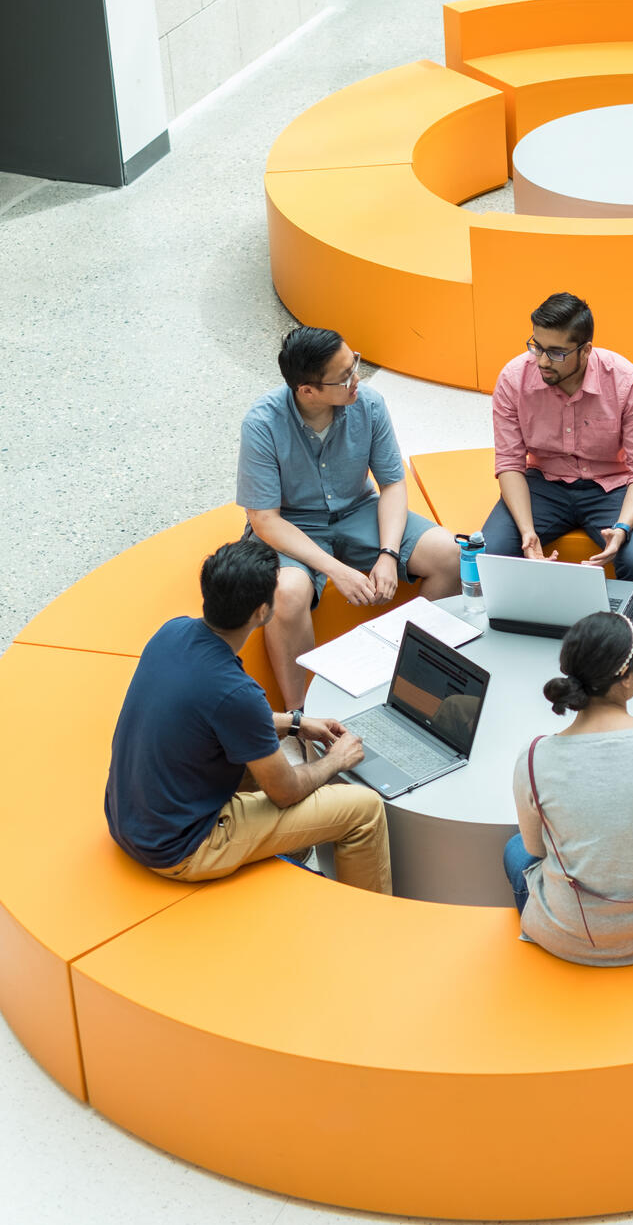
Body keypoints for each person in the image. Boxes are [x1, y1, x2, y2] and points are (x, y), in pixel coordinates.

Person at [104, 541, 391, 893]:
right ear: (261, 612)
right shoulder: (238, 694)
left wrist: (295, 723)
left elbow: (219, 716)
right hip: (182, 848)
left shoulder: (171, 633)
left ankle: (289, 862)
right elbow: (285, 792)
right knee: (363, 809)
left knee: (262, 765)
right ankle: (373, 929)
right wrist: (337, 760)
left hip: (131, 819)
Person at [237, 325, 460, 709]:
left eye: (354, 363)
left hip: (359, 510)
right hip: (292, 525)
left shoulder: (369, 403)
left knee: (450, 554)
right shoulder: (262, 423)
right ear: (308, 391)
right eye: (344, 377)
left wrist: (388, 554)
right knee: (287, 595)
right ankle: (303, 716)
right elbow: (265, 520)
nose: (357, 378)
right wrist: (337, 571)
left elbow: (392, 484)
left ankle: (411, 679)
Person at [502, 612, 633, 966]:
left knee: (516, 849)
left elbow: (535, 847)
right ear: (626, 678)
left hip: (576, 941)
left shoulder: (534, 757)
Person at [483, 293, 633, 601]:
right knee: (491, 552)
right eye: (537, 346)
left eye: (556, 352)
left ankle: (618, 637)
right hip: (543, 484)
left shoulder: (626, 381)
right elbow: (510, 463)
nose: (541, 360)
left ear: (586, 350)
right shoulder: (514, 378)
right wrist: (528, 532)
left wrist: (622, 527)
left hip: (613, 488)